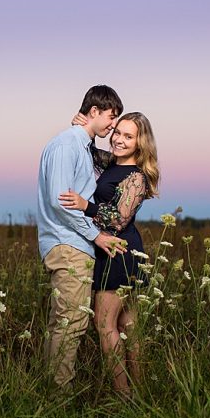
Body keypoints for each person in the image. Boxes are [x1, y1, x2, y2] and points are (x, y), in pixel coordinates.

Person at [58, 111, 159, 397]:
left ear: (141, 143)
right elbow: (89, 151)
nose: (119, 140)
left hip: (118, 249)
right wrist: (83, 127)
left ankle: (123, 394)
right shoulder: (112, 163)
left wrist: (85, 206)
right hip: (117, 248)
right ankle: (140, 393)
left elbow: (118, 219)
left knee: (105, 325)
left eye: (129, 137)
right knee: (128, 325)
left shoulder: (136, 176)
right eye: (118, 133)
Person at [37, 85, 128, 392]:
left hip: (71, 242)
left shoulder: (81, 145)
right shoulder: (67, 145)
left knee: (63, 323)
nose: (113, 125)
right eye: (111, 117)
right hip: (69, 243)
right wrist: (96, 235)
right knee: (71, 324)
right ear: (93, 111)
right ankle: (59, 397)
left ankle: (51, 390)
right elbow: (61, 201)